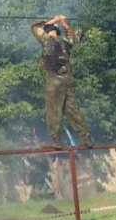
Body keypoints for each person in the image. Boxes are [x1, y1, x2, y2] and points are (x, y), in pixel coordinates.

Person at [31, 14, 93, 150]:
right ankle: (86, 139)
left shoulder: (47, 40)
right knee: (72, 111)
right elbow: (73, 35)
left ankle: (57, 141)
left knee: (53, 111)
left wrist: (53, 20)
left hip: (54, 80)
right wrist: (63, 21)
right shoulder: (66, 42)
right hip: (67, 80)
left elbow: (35, 26)